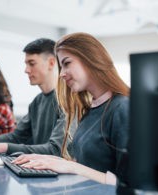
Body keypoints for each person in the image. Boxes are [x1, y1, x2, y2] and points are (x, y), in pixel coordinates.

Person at [12, 32, 130, 185]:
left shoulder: (122, 108)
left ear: (90, 59)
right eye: (61, 66)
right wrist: (48, 159)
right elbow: (86, 164)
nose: (61, 74)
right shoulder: (90, 109)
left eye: (67, 63)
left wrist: (72, 167)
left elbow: (131, 185)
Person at [0, 38, 65, 156]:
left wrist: (3, 147)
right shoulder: (37, 102)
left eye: (32, 63)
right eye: (26, 64)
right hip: (39, 167)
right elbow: (16, 137)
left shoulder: (67, 101)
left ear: (51, 63)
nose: (26, 70)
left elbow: (55, 150)